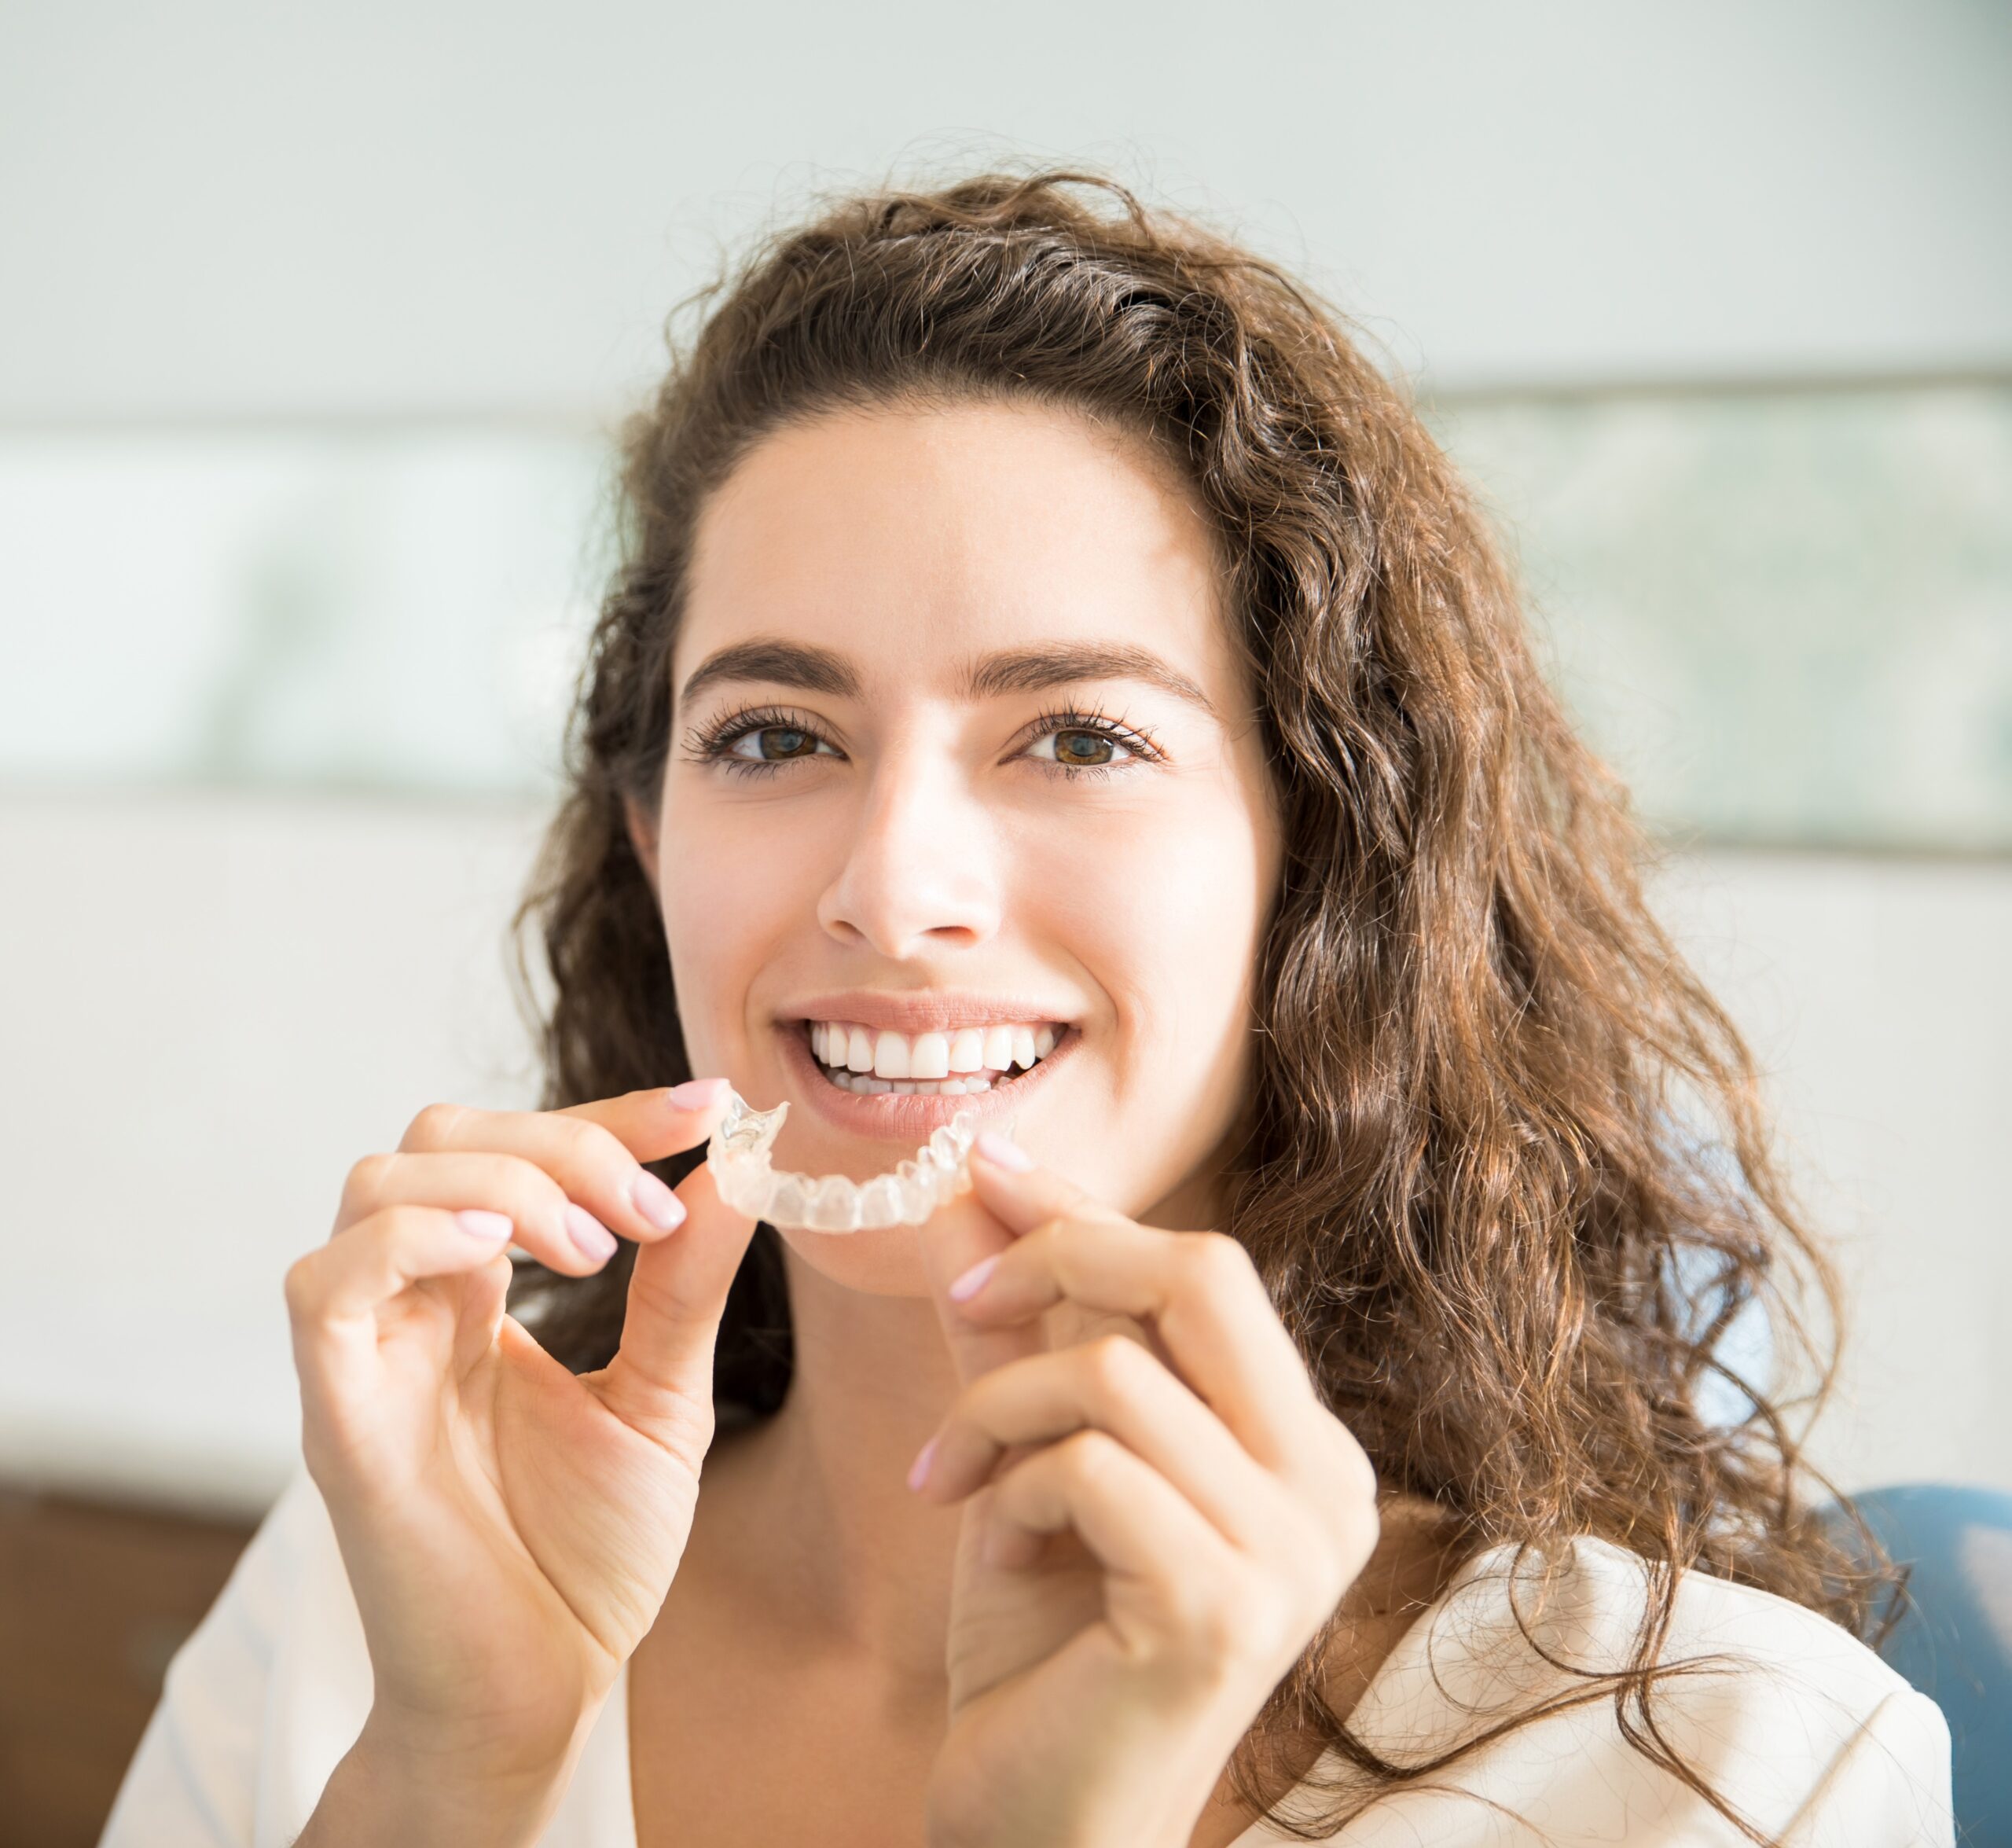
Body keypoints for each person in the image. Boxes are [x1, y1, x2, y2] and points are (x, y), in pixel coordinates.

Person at [103, 170, 1952, 1847]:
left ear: (1319, 864)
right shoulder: (379, 1601)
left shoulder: (1720, 1771)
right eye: (772, 735)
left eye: (1077, 736)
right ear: (652, 839)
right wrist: (447, 1775)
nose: (893, 887)